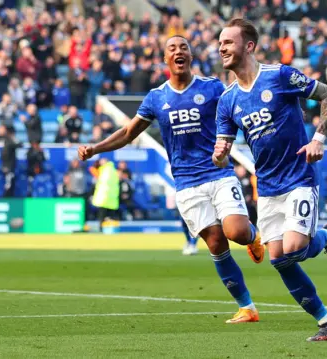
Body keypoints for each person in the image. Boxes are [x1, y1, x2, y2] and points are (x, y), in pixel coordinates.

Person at [79, 35, 265, 324]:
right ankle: (247, 308)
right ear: (165, 59)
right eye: (172, 49)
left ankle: (254, 237)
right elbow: (128, 133)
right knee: (216, 244)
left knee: (237, 232)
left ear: (190, 57)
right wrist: (95, 148)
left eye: (184, 48)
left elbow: (239, 111)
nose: (179, 51)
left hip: (218, 173)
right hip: (187, 183)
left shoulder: (212, 87)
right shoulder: (157, 98)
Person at [213, 18, 327, 341]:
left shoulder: (281, 76)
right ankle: (326, 323)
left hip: (299, 177)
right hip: (268, 187)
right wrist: (220, 154)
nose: (221, 48)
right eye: (220, 44)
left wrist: (318, 138)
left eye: (228, 42)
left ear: (249, 46)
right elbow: (223, 146)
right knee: (279, 258)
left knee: (295, 246)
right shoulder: (227, 101)